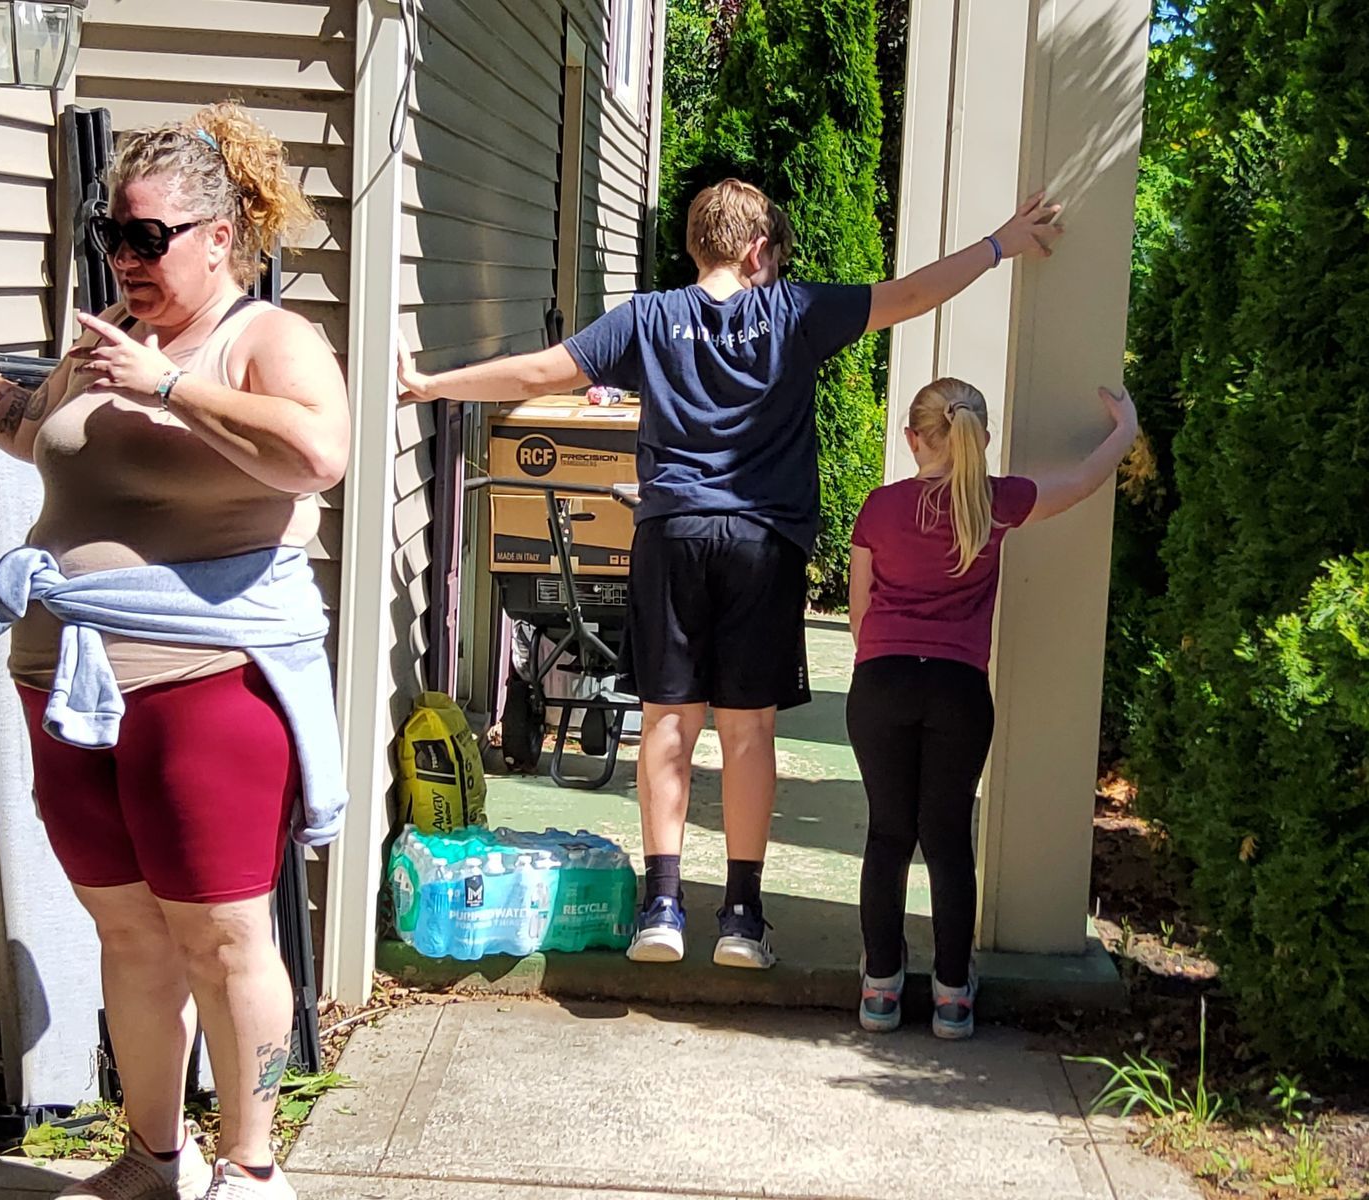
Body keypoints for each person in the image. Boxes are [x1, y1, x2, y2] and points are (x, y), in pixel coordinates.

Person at [0, 102, 349, 1200]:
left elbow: (319, 452)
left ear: (220, 237)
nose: (124, 258)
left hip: (205, 691)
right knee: (128, 938)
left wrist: (169, 385)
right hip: (70, 693)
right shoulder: (103, 343)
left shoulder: (262, 339)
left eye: (147, 238)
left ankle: (251, 1169)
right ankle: (150, 1159)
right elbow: (23, 422)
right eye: (113, 236)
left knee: (225, 943)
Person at [398, 179, 1063, 969]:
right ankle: (742, 918)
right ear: (758, 250)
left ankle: (663, 907)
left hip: (671, 533)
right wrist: (1000, 244)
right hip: (762, 543)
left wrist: (434, 385)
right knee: (748, 731)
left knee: (668, 721)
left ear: (693, 246)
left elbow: (542, 374)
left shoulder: (648, 318)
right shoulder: (792, 311)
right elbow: (912, 294)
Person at [847, 378, 1139, 1039]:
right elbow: (1086, 480)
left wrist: (889, 659)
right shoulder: (997, 501)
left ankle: (881, 989)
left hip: (884, 681)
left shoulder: (878, 508)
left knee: (888, 835)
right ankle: (953, 994)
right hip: (958, 689)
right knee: (948, 839)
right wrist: (1124, 429)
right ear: (983, 436)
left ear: (913, 438)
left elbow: (861, 613)